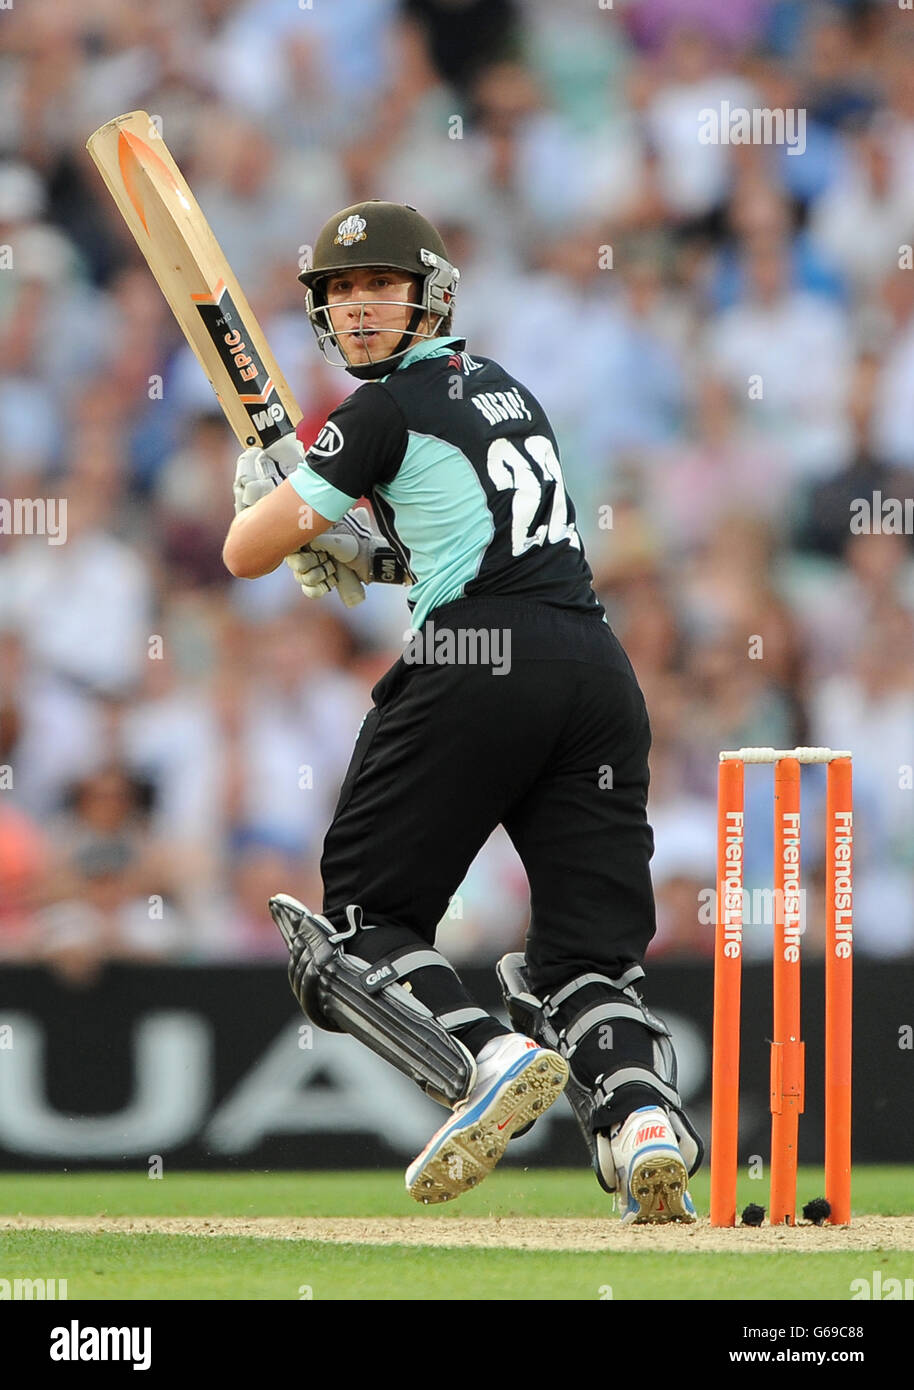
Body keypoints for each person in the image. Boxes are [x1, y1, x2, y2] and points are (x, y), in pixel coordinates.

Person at [222, 200, 703, 1221]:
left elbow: (244, 553)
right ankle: (641, 1119)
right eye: (338, 293)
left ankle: (483, 1055)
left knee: (361, 915)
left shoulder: (378, 409)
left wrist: (275, 493)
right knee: (584, 953)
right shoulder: (506, 391)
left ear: (428, 296)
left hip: (476, 655)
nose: (354, 309)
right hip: (592, 665)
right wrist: (358, 542)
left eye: (375, 287)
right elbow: (461, 533)